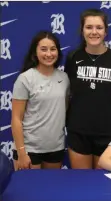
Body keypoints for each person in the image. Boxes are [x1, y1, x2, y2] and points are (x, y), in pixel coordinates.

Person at [64, 8, 111, 169]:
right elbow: (67, 95)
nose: (94, 32)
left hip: (108, 133)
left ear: (106, 31)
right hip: (78, 132)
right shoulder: (73, 58)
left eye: (99, 27)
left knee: (103, 186)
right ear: (82, 30)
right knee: (81, 184)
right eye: (89, 27)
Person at [11, 30, 69, 170]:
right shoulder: (25, 79)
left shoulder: (64, 78)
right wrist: (21, 152)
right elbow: (16, 119)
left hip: (56, 147)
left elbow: (64, 109)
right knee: (27, 191)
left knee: (51, 190)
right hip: (29, 149)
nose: (48, 54)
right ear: (35, 52)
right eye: (43, 49)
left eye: (52, 49)